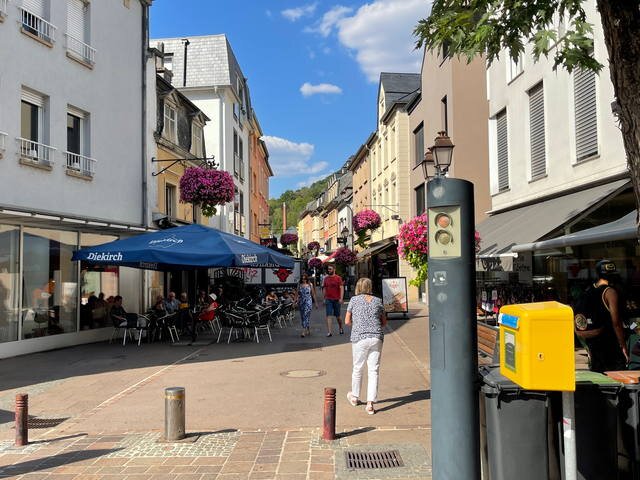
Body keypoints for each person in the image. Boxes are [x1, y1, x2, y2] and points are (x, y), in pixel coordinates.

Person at [574, 259, 629, 372]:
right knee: (617, 375)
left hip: (593, 343)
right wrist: (623, 345)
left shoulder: (588, 291)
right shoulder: (610, 292)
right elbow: (616, 322)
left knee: (599, 375)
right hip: (609, 343)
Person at [344, 277, 387, 415]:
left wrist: (358, 326)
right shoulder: (378, 301)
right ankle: (370, 404)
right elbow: (384, 322)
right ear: (370, 287)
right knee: (373, 370)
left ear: (358, 287)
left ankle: (355, 397)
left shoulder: (353, 300)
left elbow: (347, 321)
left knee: (358, 368)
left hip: (359, 338)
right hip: (376, 337)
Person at [322, 265, 344, 337]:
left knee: (338, 316)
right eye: (328, 269)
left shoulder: (338, 278)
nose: (329, 270)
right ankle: (329, 332)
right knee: (328, 315)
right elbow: (324, 288)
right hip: (328, 299)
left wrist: (341, 298)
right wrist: (324, 298)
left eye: (330, 269)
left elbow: (341, 288)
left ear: (334, 269)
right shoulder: (326, 278)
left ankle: (340, 327)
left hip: (336, 299)